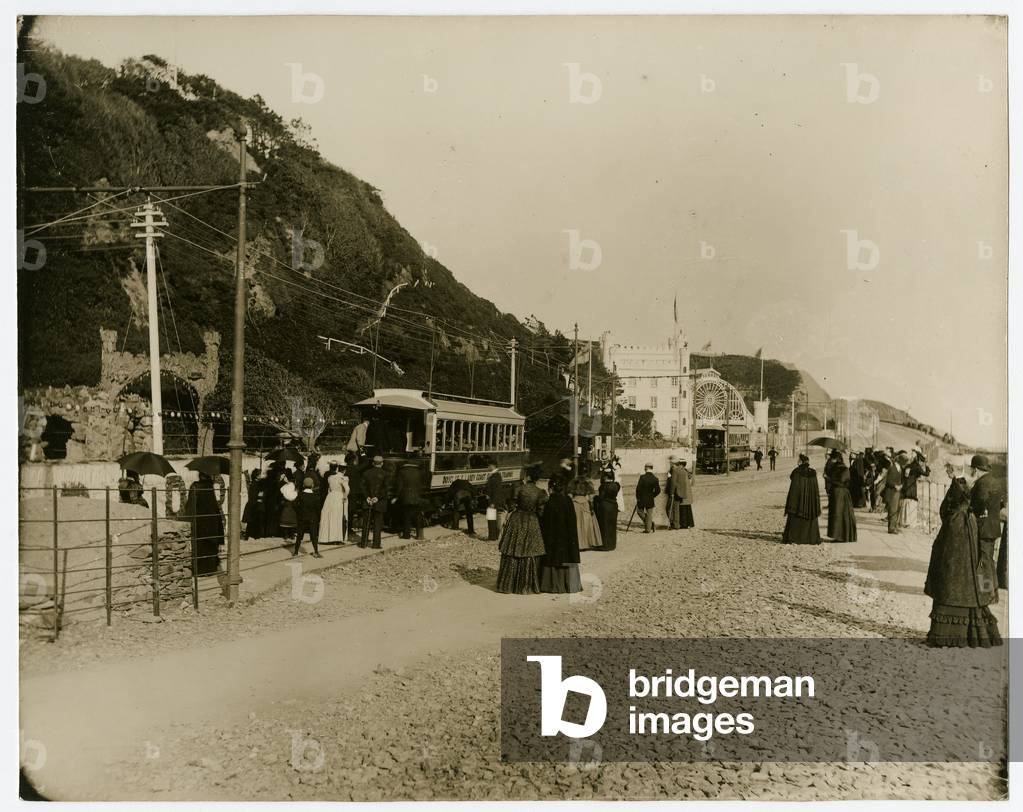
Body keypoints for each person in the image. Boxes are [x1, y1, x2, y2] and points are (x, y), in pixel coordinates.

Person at [924, 472, 1002, 647]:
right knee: (978, 572)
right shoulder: (971, 515)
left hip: (957, 538)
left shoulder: (954, 516)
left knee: (956, 576)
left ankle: (946, 633)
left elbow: (944, 511)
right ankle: (986, 600)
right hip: (975, 534)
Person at [496, 466, 548, 594]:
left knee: (512, 549)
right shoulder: (541, 492)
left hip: (517, 519)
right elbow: (541, 512)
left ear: (528, 477)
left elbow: (511, 505)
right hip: (531, 520)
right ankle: (526, 585)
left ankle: (508, 585)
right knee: (529, 551)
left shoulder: (518, 488)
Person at [968, 454, 1004, 596]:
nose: (972, 472)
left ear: (976, 470)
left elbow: (980, 502)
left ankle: (985, 592)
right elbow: (1001, 503)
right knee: (988, 559)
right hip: (993, 528)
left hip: (983, 529)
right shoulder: (994, 482)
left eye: (972, 469)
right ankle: (991, 590)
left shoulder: (981, 483)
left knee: (983, 561)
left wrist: (972, 509)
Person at [539, 475, 582, 593]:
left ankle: (552, 585)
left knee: (553, 558)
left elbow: (545, 522)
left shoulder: (550, 502)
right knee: (567, 555)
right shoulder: (568, 500)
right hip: (567, 537)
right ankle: (570, 584)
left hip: (553, 538)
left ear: (552, 488)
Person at [185, 471, 224, 575]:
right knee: (210, 547)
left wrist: (188, 521)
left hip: (200, 521)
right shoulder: (210, 486)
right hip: (211, 522)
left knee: (200, 546)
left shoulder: (195, 486)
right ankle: (210, 569)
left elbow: (191, 505)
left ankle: (200, 570)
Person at [781, 454, 821, 545]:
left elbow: (791, 478)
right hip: (810, 501)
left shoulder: (796, 471)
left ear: (801, 462)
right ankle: (810, 538)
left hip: (797, 500)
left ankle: (794, 537)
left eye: (799, 460)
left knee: (795, 518)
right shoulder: (813, 472)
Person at [826, 453, 857, 543]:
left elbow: (841, 482)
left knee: (839, 514)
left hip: (841, 493)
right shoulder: (836, 467)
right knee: (838, 514)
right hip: (837, 493)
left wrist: (828, 478)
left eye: (832, 459)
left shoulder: (843, 469)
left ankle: (841, 536)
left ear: (836, 459)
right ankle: (838, 536)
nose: (831, 460)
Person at [359, 455, 389, 549]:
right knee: (377, 524)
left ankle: (363, 543)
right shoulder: (385, 474)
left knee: (366, 523)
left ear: (372, 463)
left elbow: (362, 487)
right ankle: (376, 544)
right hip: (379, 502)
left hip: (367, 501)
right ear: (382, 463)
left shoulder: (366, 473)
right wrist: (377, 497)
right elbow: (385, 489)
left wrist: (367, 497)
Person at [395, 452, 426, 540]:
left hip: (406, 496)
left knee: (406, 516)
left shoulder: (402, 471)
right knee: (418, 515)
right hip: (417, 496)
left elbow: (399, 486)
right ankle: (420, 535)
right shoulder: (419, 471)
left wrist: (396, 496)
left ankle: (406, 535)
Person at [900, 450, 931, 529]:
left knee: (905, 504)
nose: (922, 463)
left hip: (905, 486)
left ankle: (903, 521)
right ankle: (909, 522)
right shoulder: (917, 467)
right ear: (919, 460)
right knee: (910, 504)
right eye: (922, 462)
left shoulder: (910, 465)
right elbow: (926, 474)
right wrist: (927, 467)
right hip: (911, 487)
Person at [319, 462, 349, 544]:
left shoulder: (330, 477)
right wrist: (345, 497)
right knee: (338, 517)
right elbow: (347, 489)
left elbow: (329, 489)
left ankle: (327, 537)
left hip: (330, 497)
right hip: (339, 497)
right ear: (345, 470)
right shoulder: (343, 478)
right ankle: (337, 537)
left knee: (329, 516)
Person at [569, 477, 602, 551]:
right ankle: (586, 543)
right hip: (584, 503)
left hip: (575, 503)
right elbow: (591, 497)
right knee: (586, 523)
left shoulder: (573, 482)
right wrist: (591, 506)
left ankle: (578, 544)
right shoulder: (588, 483)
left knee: (577, 523)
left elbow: (570, 495)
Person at [294, 477, 323, 558]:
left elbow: (294, 505)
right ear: (312, 485)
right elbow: (318, 508)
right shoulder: (315, 496)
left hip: (302, 518)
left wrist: (299, 513)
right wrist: (318, 517)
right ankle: (316, 552)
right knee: (313, 536)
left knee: (299, 536)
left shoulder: (300, 495)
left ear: (303, 485)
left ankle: (296, 552)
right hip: (312, 518)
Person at [592, 470, 621, 551]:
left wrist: (595, 498)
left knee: (604, 526)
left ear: (606, 477)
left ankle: (605, 545)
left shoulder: (603, 486)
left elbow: (601, 497)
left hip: (605, 507)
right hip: (613, 506)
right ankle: (612, 545)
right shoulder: (616, 485)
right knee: (612, 525)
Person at [883, 452, 906, 534]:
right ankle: (891, 528)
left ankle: (894, 526)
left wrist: (901, 485)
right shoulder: (892, 468)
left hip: (897, 491)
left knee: (897, 509)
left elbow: (901, 480)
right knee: (893, 510)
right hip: (892, 492)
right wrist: (895, 486)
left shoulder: (899, 468)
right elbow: (888, 481)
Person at [485, 462, 509, 540]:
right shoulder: (495, 475)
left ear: (493, 466)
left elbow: (496, 491)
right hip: (494, 499)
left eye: (489, 465)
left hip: (493, 500)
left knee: (492, 518)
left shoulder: (495, 476)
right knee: (495, 517)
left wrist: (492, 502)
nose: (488, 467)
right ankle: (494, 536)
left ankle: (493, 536)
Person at [635, 463, 661, 534]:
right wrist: (652, 495)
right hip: (650, 499)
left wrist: (638, 498)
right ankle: (648, 527)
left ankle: (649, 524)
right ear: (652, 468)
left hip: (642, 498)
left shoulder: (642, 477)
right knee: (649, 514)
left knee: (639, 511)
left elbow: (638, 489)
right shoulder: (655, 479)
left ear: (646, 468)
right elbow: (658, 490)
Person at [242, 469, 265, 540]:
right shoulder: (255, 484)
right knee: (254, 520)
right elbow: (254, 495)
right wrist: (259, 496)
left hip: (252, 504)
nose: (261, 476)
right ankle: (254, 535)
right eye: (260, 474)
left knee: (251, 521)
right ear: (256, 476)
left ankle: (250, 535)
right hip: (254, 504)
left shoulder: (254, 483)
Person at [278, 473, 298, 541]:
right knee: (292, 520)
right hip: (292, 506)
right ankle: (291, 534)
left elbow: (282, 495)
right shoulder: (293, 485)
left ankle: (286, 534)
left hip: (286, 505)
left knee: (285, 520)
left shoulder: (284, 487)